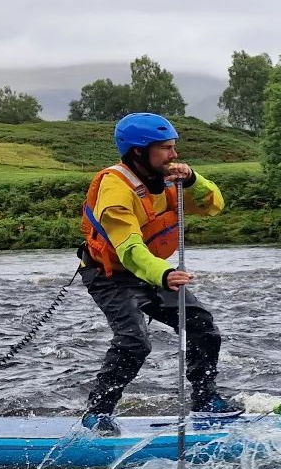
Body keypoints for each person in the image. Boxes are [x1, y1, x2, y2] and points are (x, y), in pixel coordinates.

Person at [76, 112, 242, 435]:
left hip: (153, 272)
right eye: (166, 148)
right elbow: (130, 250)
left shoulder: (168, 180)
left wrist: (193, 179)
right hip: (111, 275)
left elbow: (213, 205)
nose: (174, 155)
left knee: (202, 327)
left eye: (173, 147)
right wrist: (164, 275)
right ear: (139, 152)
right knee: (134, 341)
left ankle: (205, 399)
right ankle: (98, 412)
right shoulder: (114, 189)